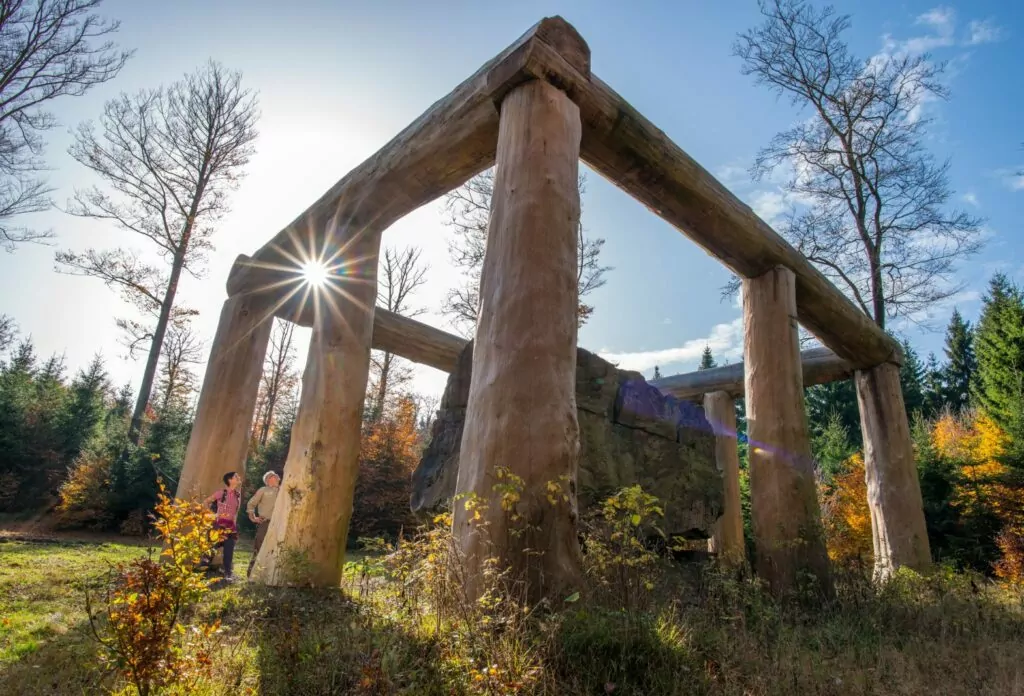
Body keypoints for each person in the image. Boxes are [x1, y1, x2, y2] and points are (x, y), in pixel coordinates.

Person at [204, 471, 242, 581]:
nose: (238, 477)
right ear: (230, 480)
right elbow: (206, 502)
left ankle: (228, 573)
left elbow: (235, 513)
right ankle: (201, 570)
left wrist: (234, 528)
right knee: (211, 549)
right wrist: (212, 515)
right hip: (218, 524)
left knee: (229, 550)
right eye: (236, 476)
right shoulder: (221, 493)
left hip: (230, 527)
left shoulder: (237, 495)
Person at [245, 470, 280, 578]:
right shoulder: (263, 490)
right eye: (272, 476)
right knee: (259, 546)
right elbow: (251, 504)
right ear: (268, 480)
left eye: (276, 476)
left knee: (277, 549)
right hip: (265, 522)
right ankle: (251, 574)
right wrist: (253, 517)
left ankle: (271, 575)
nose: (276, 477)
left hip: (280, 524)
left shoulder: (283, 490)